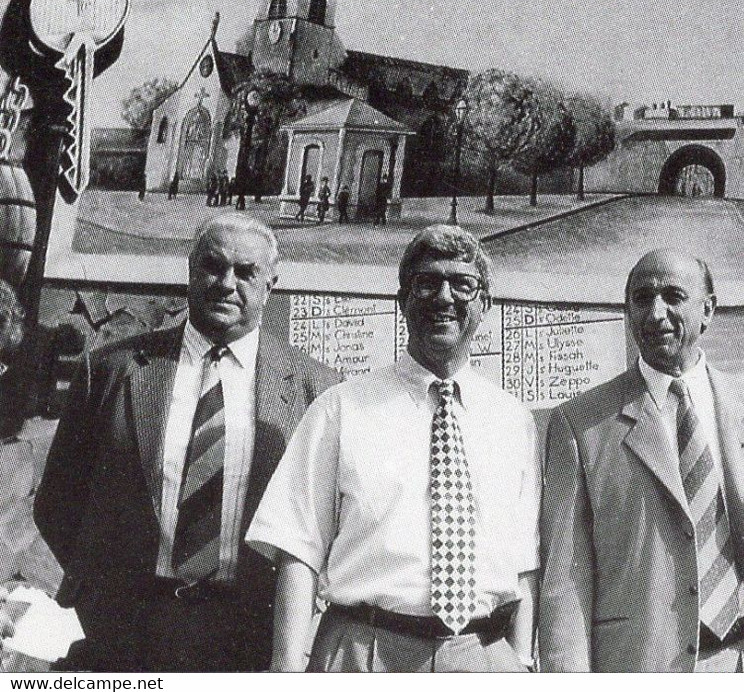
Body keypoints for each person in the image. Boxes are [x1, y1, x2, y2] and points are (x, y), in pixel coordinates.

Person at [34, 214, 339, 671]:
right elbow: (57, 502)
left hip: (251, 633)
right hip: (126, 628)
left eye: (246, 272)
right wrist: (97, 592)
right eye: (213, 266)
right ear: (191, 269)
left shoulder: (317, 391)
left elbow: (327, 522)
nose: (226, 283)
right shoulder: (111, 370)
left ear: (271, 284)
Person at [246, 225, 540, 672]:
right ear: (402, 302)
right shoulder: (341, 408)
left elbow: (524, 560)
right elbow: (297, 547)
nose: (444, 297)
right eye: (426, 283)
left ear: (485, 305)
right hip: (365, 650)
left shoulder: (513, 420)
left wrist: (518, 659)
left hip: (483, 656)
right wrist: (285, 672)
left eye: (462, 284)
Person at [539, 248, 744, 672]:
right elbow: (565, 581)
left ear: (707, 310)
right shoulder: (581, 424)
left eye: (673, 296)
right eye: (641, 299)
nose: (656, 313)